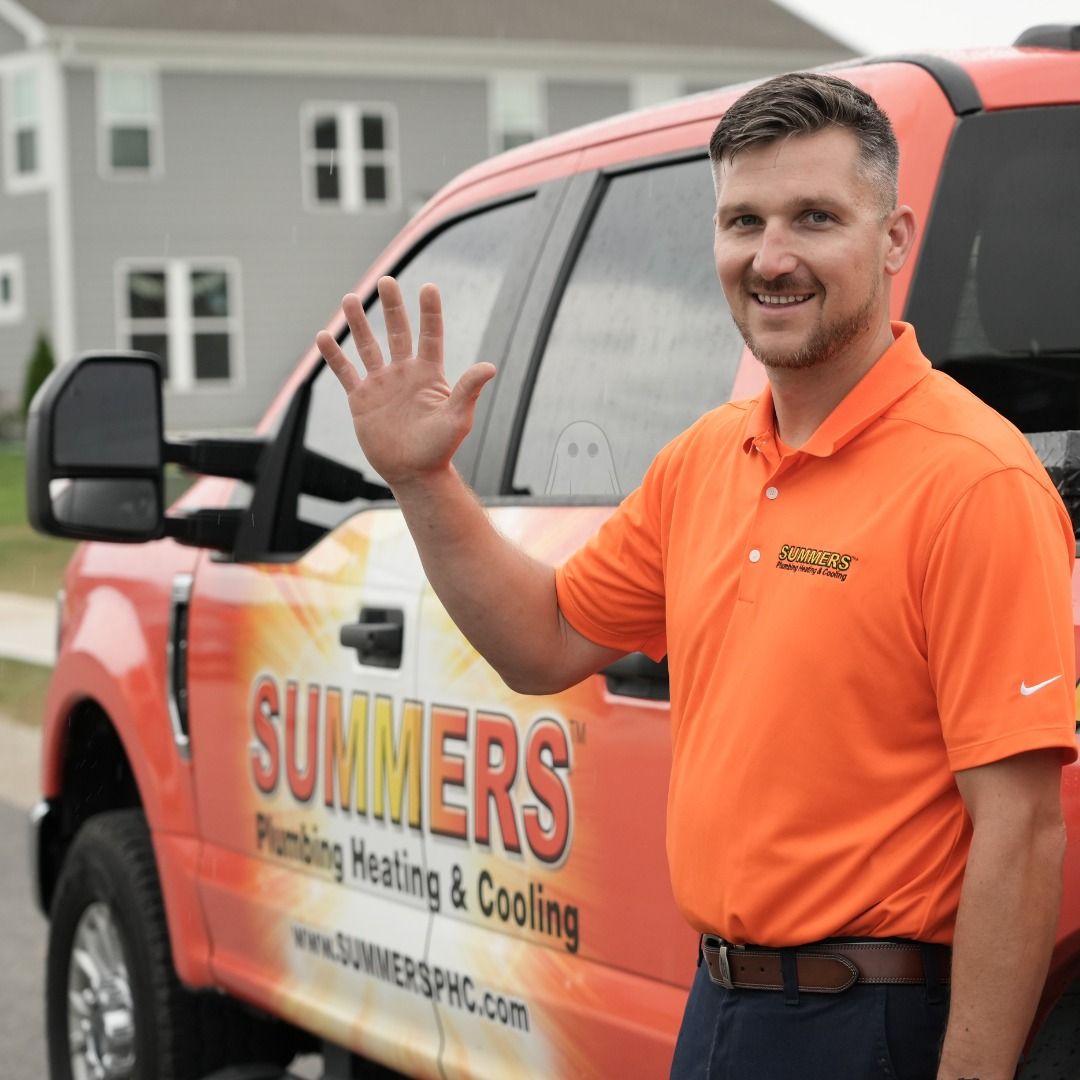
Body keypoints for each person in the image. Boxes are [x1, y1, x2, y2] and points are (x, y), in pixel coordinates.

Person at [316, 72, 1077, 1080]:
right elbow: (544, 641)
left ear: (893, 238)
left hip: (875, 1024)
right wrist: (424, 481)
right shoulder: (705, 460)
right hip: (722, 1007)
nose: (772, 257)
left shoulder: (973, 481)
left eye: (815, 218)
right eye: (743, 221)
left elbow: (1021, 831)